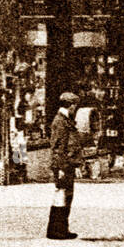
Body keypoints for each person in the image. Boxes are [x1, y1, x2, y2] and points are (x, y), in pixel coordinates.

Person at [47, 91, 85, 239]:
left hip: (67, 164)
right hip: (63, 165)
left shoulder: (65, 120)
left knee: (66, 196)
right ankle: (56, 230)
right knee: (61, 196)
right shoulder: (60, 121)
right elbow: (57, 147)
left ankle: (61, 229)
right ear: (70, 105)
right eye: (74, 105)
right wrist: (60, 167)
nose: (75, 109)